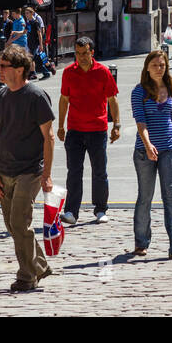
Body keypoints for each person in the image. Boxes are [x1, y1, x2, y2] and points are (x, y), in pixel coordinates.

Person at [0, 45, 57, 291]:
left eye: (3, 66)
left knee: (19, 222)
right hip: (4, 170)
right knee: (14, 225)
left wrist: (46, 174)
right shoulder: (1, 97)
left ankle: (27, 276)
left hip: (30, 170)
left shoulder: (36, 97)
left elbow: (49, 137)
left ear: (19, 69)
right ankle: (40, 266)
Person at [56, 36, 120, 225]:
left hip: (97, 129)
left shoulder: (103, 72)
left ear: (92, 52)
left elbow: (112, 99)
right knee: (74, 171)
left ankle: (101, 209)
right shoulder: (68, 72)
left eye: (84, 53)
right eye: (77, 53)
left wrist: (116, 125)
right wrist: (60, 126)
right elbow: (64, 100)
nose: (81, 57)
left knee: (99, 171)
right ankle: (71, 212)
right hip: (75, 129)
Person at [131, 51, 172, 259]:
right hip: (145, 152)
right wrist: (148, 144)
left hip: (169, 149)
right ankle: (141, 242)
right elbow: (140, 122)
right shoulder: (139, 92)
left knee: (171, 197)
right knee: (145, 197)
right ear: (147, 67)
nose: (159, 68)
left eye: (162, 65)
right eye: (154, 65)